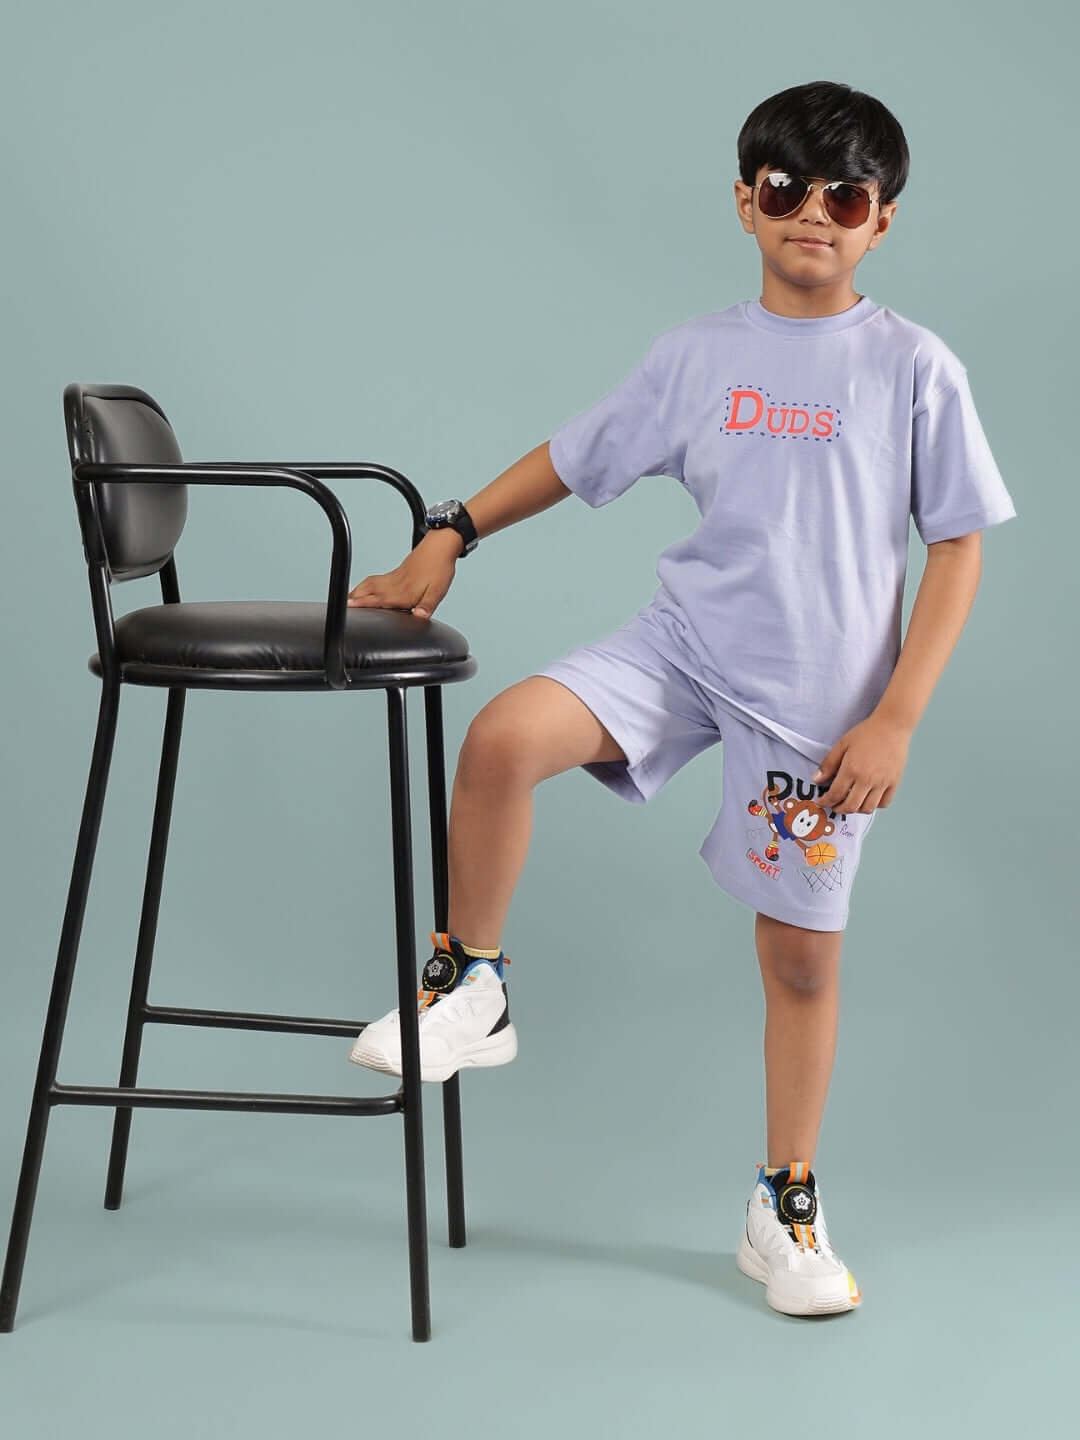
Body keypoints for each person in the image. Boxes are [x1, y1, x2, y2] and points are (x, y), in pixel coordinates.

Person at [343, 80, 1017, 1317]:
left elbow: (960, 545)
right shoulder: (697, 356)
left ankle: (784, 1203)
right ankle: (472, 982)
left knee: (799, 964)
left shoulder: (913, 367)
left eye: (846, 197)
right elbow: (574, 455)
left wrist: (897, 718)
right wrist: (450, 532)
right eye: (786, 188)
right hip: (683, 649)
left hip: (819, 708)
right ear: (745, 201)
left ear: (882, 222)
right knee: (503, 736)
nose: (812, 213)